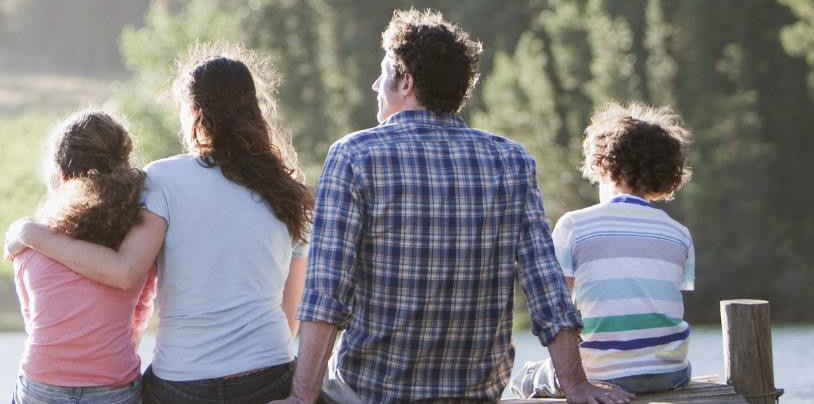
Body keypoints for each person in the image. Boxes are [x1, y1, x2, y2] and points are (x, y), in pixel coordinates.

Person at [271, 9, 636, 404]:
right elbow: (546, 286)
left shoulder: (355, 156)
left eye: (384, 74)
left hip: (371, 393)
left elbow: (327, 291)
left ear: (406, 81)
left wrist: (302, 396)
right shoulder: (510, 161)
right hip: (476, 393)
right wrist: (576, 384)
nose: (376, 84)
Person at [5, 44, 314, 404]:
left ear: (195, 113)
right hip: (268, 374)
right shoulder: (289, 193)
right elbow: (290, 320)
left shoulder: (163, 180)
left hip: (184, 382)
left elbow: (125, 271)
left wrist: (30, 234)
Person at [512, 103, 696, 398]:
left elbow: (559, 306)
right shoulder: (679, 233)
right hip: (671, 373)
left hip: (602, 376)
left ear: (600, 165)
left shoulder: (574, 225)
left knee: (527, 376)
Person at [10, 110, 157, 404]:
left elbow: (33, 319)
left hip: (43, 382)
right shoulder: (139, 237)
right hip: (113, 385)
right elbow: (139, 314)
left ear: (61, 175)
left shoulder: (29, 240)